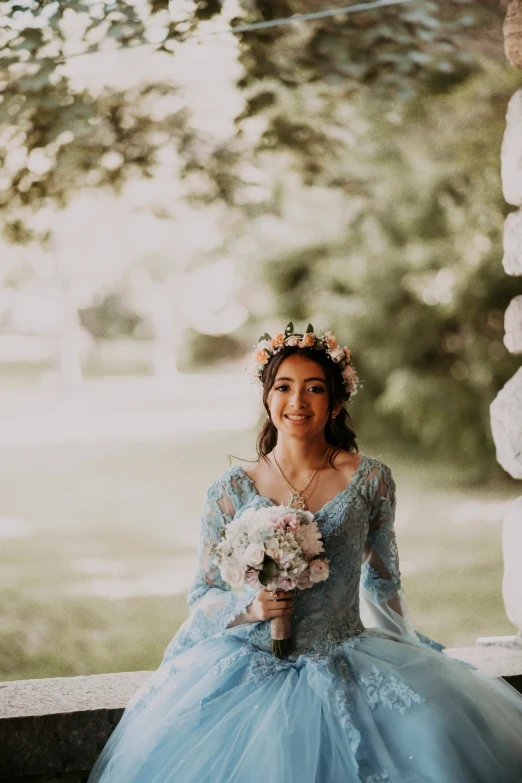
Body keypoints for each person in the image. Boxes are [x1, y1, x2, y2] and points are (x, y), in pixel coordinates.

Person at [88, 324, 522, 783]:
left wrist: (412, 648)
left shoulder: (371, 481)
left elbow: (383, 581)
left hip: (346, 650)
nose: (297, 401)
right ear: (267, 397)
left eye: (314, 389)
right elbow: (205, 591)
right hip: (250, 664)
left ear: (335, 402)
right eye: (284, 387)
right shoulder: (230, 490)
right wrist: (250, 608)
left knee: (431, 734)